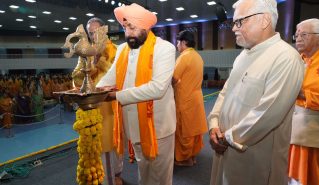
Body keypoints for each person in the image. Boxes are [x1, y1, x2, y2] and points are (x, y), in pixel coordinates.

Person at [207, 0, 305, 184]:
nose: (233, 29)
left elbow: (268, 114)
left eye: (239, 22)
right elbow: (225, 92)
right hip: (225, 144)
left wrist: (227, 138)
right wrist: (213, 123)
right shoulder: (243, 54)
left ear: (264, 20)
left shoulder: (286, 58)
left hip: (257, 157)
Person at [96, 3, 176, 185]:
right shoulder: (123, 49)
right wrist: (90, 92)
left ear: (145, 26)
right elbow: (111, 77)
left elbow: (157, 88)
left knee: (160, 177)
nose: (128, 33)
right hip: (134, 126)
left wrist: (117, 96)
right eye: (125, 28)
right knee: (144, 173)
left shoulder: (164, 49)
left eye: (132, 27)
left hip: (158, 127)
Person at [71, 17, 123, 185]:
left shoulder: (117, 50)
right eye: (90, 33)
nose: (93, 36)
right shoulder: (86, 52)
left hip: (113, 104)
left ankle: (116, 174)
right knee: (99, 143)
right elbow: (76, 78)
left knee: (115, 142)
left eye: (96, 32)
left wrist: (98, 60)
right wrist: (91, 63)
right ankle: (103, 178)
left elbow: (117, 75)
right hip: (93, 106)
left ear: (104, 31)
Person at [288, 18, 319, 185]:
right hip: (292, 131)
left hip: (313, 135)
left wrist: (302, 94)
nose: (298, 38)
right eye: (297, 34)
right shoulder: (295, 60)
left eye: (304, 34)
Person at [172, 30, 208, 166]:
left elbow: (174, 78)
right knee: (193, 129)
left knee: (184, 130)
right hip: (196, 98)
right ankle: (192, 156)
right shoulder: (198, 56)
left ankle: (185, 159)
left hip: (185, 99)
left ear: (184, 42)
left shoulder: (184, 56)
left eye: (178, 42)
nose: (176, 45)